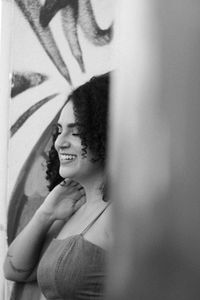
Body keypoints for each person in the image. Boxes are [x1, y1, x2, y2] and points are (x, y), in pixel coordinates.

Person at [4, 73, 112, 300]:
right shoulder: (74, 207)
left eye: (76, 131)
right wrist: (45, 214)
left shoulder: (121, 213)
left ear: (107, 134)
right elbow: (13, 270)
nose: (60, 142)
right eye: (59, 130)